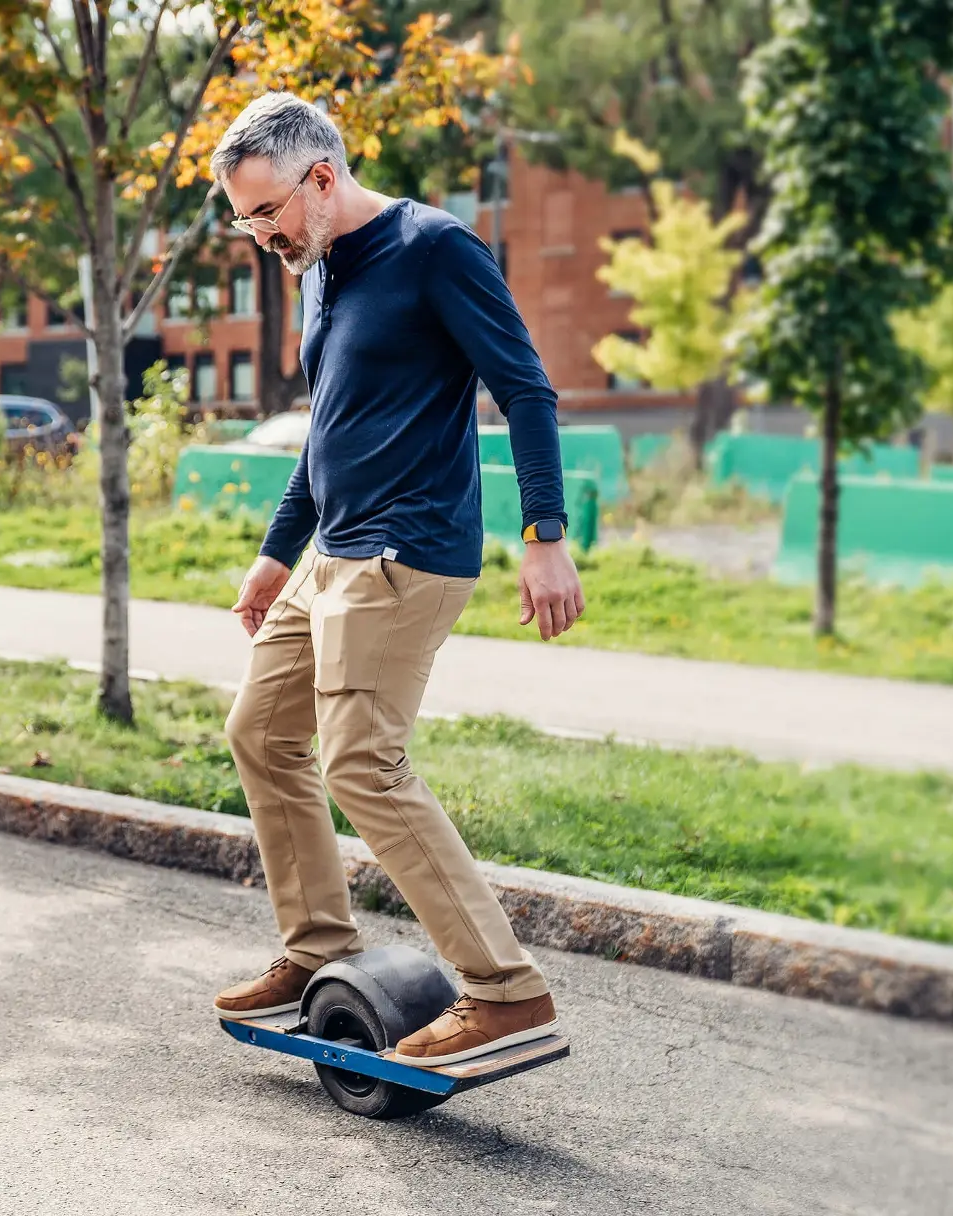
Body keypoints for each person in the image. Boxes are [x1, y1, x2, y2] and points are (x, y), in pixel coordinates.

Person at [209, 93, 586, 1067]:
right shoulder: (321, 268)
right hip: (332, 552)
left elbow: (526, 389)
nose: (260, 237)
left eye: (268, 213)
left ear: (323, 178)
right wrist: (275, 550)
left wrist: (546, 532)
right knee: (258, 730)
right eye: (245, 219)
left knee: (362, 764)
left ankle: (504, 989)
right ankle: (315, 945)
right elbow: (329, 431)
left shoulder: (435, 249)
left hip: (406, 551)